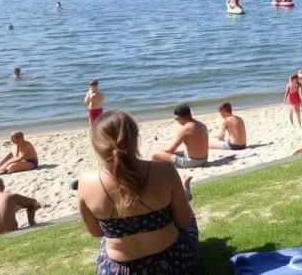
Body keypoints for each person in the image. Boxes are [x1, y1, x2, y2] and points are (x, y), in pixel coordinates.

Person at [77, 111, 198, 274]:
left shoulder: (85, 182)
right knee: (187, 212)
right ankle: (185, 195)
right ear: (135, 137)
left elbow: (96, 232)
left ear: (97, 145)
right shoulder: (164, 170)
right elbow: (183, 222)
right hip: (174, 263)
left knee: (108, 236)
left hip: (119, 270)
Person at [151, 105, 209, 169]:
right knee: (181, 150)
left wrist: (159, 150)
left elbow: (170, 150)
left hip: (192, 163)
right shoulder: (202, 125)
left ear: (181, 117)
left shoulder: (185, 129)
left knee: (154, 154)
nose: (177, 120)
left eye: (177, 119)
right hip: (204, 160)